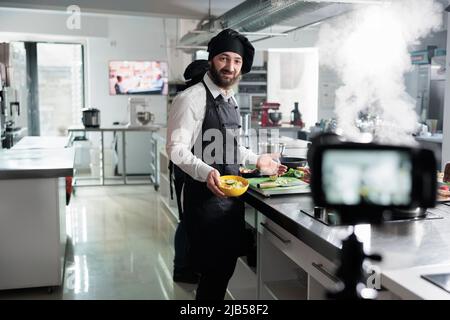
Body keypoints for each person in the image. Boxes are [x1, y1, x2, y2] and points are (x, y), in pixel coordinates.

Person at [166, 29, 287, 300]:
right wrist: (206, 170)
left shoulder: (229, 99)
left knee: (222, 274)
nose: (230, 67)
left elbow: (231, 147)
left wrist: (258, 160)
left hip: (230, 201)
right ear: (211, 59)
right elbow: (175, 149)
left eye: (236, 61)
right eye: (223, 58)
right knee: (213, 279)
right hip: (205, 203)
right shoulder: (191, 99)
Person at [171, 59, 210, 284]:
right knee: (186, 220)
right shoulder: (190, 99)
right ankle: (182, 268)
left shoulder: (194, 95)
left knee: (187, 219)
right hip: (187, 170)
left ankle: (187, 265)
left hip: (189, 169)